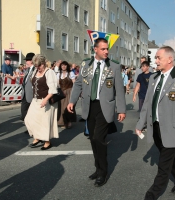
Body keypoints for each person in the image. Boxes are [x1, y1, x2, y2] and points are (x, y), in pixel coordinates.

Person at [135, 46, 175, 200]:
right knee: (167, 157)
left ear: (170, 59)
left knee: (163, 164)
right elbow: (147, 104)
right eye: (155, 58)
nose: (155, 60)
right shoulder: (154, 78)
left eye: (158, 58)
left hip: (173, 129)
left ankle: (152, 194)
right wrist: (140, 124)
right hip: (156, 127)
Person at [67, 38, 126, 187]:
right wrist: (72, 101)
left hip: (105, 107)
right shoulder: (86, 65)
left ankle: (103, 172)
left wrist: (121, 109)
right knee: (93, 139)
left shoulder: (114, 67)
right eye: (103, 49)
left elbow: (119, 89)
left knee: (99, 138)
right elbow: (79, 84)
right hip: (90, 106)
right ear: (95, 49)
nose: (106, 51)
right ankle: (98, 168)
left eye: (107, 49)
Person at [25, 54, 58, 150]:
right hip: (35, 100)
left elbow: (53, 89)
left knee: (44, 123)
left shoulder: (49, 72)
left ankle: (47, 142)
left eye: (39, 66)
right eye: (36, 66)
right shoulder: (35, 71)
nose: (37, 68)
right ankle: (38, 137)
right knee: (29, 119)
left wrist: (45, 99)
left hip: (46, 100)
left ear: (44, 64)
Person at [56, 61, 76, 128]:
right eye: (62, 65)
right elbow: (57, 84)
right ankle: (63, 122)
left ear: (67, 66)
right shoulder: (58, 74)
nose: (63, 67)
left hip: (69, 91)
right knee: (61, 107)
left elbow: (74, 83)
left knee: (68, 107)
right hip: (61, 92)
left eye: (65, 65)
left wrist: (74, 92)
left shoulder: (70, 73)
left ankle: (69, 121)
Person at [21, 52, 35, 122]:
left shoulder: (35, 69)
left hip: (32, 94)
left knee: (31, 112)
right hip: (25, 94)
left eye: (27, 60)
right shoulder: (28, 70)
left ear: (31, 61)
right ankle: (29, 126)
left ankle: (31, 128)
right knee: (24, 111)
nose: (26, 62)